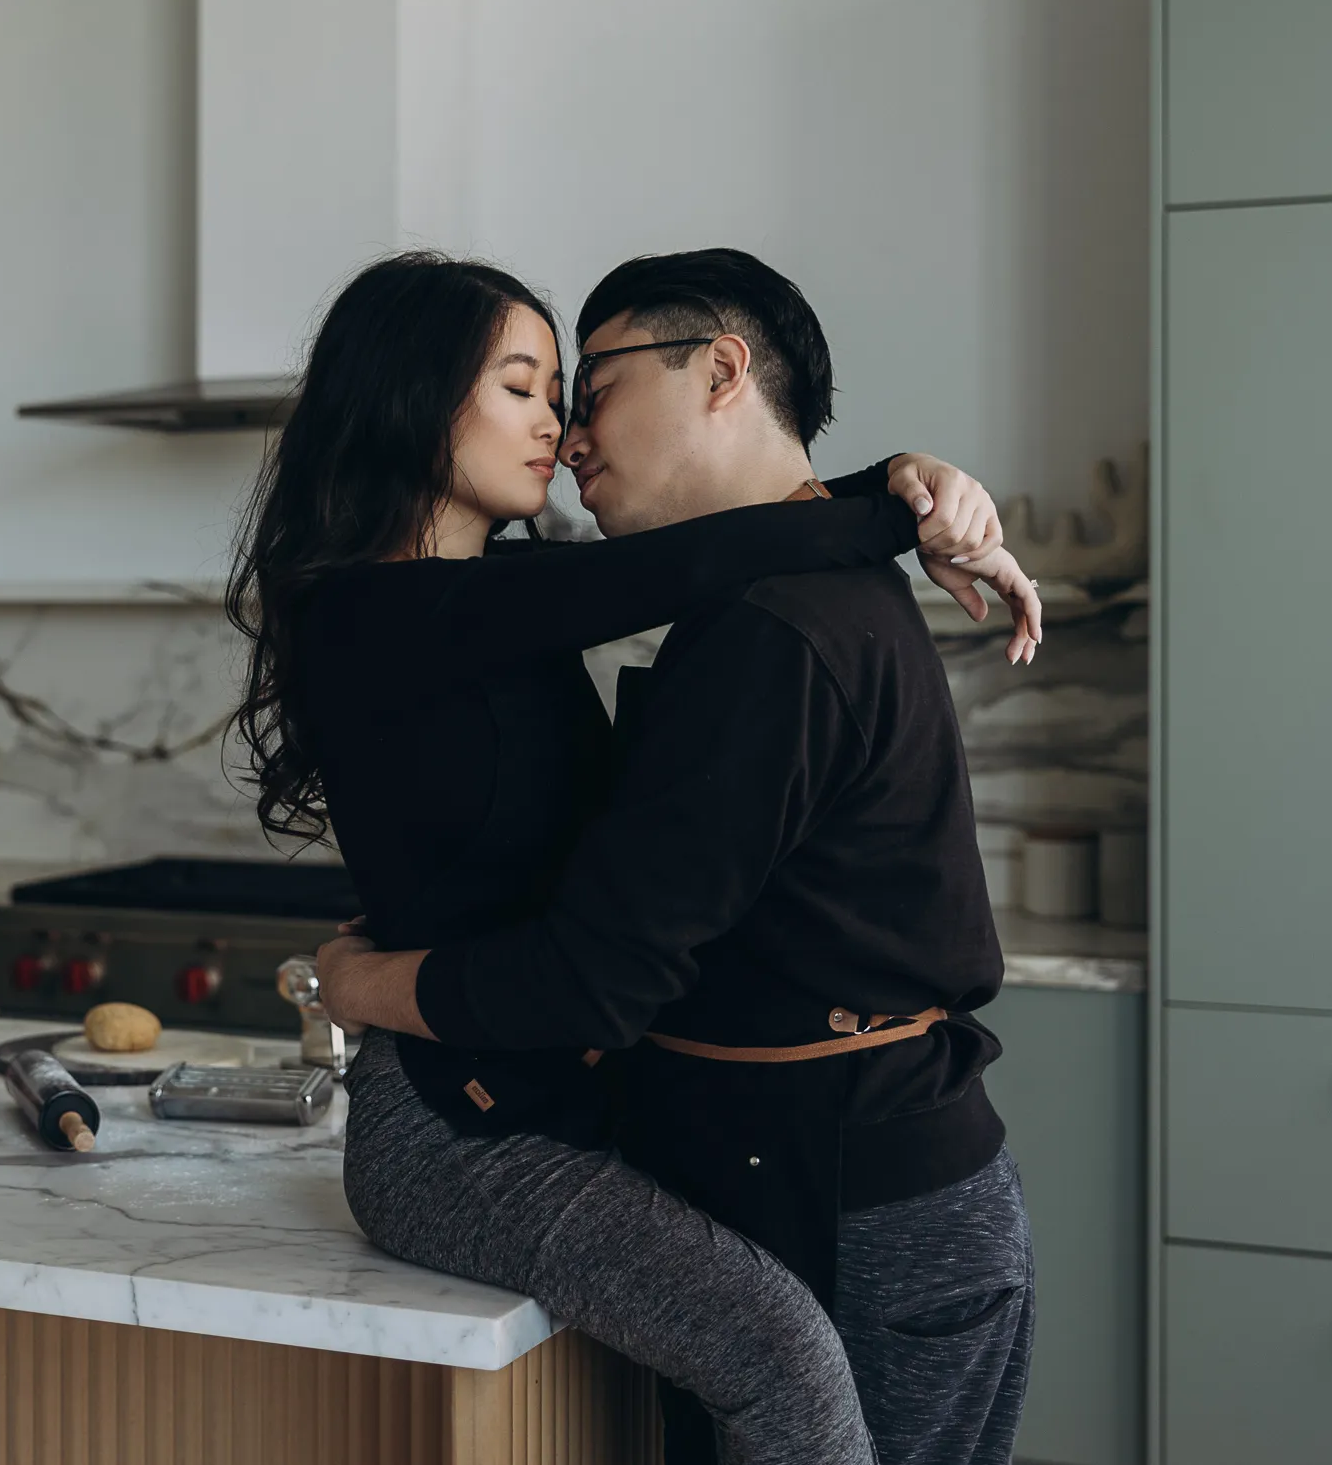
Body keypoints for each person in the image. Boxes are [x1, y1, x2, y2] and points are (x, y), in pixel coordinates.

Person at [229, 252, 1041, 1465]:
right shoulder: (373, 611)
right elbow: (692, 559)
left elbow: (700, 553)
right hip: (458, 1109)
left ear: (719, 372)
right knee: (782, 1355)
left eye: (571, 390)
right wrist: (898, 506)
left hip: (551, 1093)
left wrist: (905, 490)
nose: (558, 430)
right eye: (523, 387)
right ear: (410, 394)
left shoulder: (509, 589)